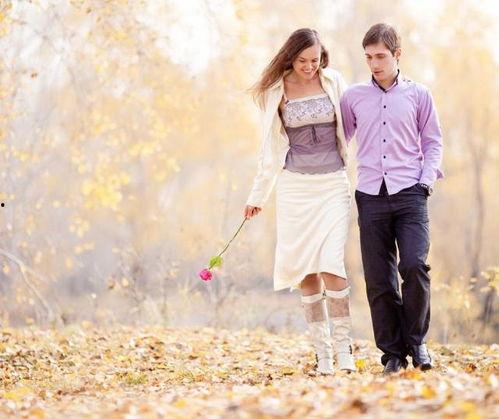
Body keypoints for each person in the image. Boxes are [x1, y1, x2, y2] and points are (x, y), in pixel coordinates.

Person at [244, 28, 355, 374]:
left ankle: (345, 350)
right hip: (295, 188)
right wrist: (258, 195)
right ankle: (324, 355)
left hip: (333, 184)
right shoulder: (275, 91)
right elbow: (269, 149)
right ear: (290, 57)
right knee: (306, 273)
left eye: (315, 60)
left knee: (332, 264)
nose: (310, 67)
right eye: (303, 60)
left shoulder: (334, 81)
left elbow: (354, 127)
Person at [340, 23, 443, 374]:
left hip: (410, 193)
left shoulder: (419, 94)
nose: (374, 64)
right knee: (379, 280)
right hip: (370, 195)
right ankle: (393, 354)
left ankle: (417, 343)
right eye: (368, 57)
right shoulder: (353, 97)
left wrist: (425, 182)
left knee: (415, 266)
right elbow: (340, 140)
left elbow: (433, 142)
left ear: (397, 55)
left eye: (381, 56)